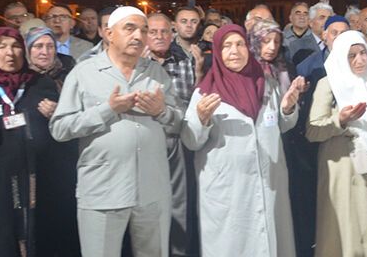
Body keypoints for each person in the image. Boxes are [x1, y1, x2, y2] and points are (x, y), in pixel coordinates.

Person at [49, 6, 183, 257]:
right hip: (103, 191)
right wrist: (108, 109)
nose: (138, 36)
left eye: (143, 30)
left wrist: (161, 111)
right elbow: (60, 128)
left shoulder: (156, 72)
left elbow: (179, 123)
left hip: (152, 191)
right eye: (130, 28)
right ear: (109, 34)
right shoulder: (84, 72)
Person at [182, 24, 301, 256]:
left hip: (268, 180)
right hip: (228, 189)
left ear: (248, 47)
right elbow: (191, 140)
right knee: (232, 245)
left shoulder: (267, 83)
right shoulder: (205, 92)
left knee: (270, 241)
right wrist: (201, 119)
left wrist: (287, 108)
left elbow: (282, 125)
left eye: (239, 44)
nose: (234, 51)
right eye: (226, 46)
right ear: (217, 52)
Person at [0, 27, 60, 257]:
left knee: (40, 235)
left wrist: (57, 114)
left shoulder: (41, 85)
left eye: (16, 46)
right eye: (2, 47)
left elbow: (64, 130)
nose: (10, 53)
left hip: (38, 177)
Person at [306, 30, 367, 256]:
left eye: (362, 53)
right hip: (345, 172)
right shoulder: (328, 84)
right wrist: (341, 119)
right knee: (347, 236)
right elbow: (313, 131)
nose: (360, 60)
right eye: (352, 55)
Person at [288, 15, 350, 257]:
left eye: (344, 33)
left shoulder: (360, 62)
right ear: (324, 35)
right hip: (313, 145)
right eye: (334, 33)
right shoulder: (309, 66)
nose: (339, 38)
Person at [146, 13, 202, 257]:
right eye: (153, 32)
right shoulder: (136, 63)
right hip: (146, 142)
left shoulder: (185, 60)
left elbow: (193, 99)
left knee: (179, 205)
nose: (159, 36)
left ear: (173, 34)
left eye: (165, 31)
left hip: (176, 140)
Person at [23, 26, 81, 256]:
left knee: (64, 214)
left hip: (64, 158)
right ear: (28, 50)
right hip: (32, 161)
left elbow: (82, 110)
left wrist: (61, 111)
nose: (44, 52)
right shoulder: (21, 79)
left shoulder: (68, 74)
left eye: (50, 46)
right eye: (38, 46)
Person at [292, 0, 334, 65]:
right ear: (311, 23)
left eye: (329, 18)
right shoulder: (298, 45)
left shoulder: (338, 42)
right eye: (322, 17)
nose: (327, 21)